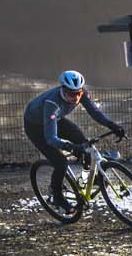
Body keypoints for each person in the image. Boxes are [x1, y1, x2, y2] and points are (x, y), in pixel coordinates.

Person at [23, 69, 124, 197]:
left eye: (78, 93)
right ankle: (56, 195)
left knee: (86, 147)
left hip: (56, 119)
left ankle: (85, 180)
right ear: (63, 90)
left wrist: (112, 125)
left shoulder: (81, 93)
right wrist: (69, 146)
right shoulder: (52, 103)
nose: (76, 97)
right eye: (71, 94)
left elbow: (95, 112)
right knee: (61, 163)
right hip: (36, 127)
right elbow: (50, 138)